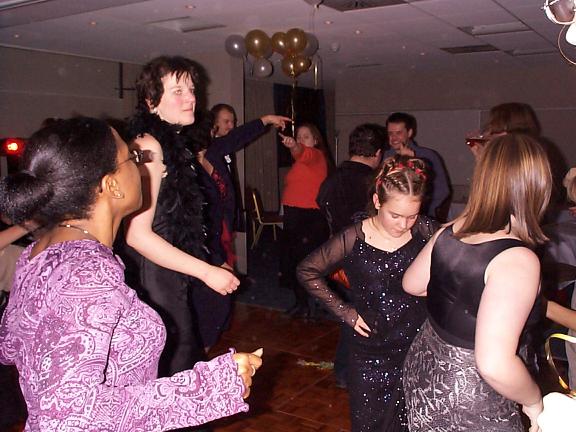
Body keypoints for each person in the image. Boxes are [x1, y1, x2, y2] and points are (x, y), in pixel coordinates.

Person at [0, 117, 263, 431]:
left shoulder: (41, 253)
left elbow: (12, 346)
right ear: (111, 185)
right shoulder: (86, 273)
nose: (142, 167)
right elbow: (69, 415)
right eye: (132, 157)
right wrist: (209, 387)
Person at [402, 133, 551, 431]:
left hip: (425, 368)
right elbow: (494, 364)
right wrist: (535, 402)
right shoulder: (518, 260)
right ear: (536, 186)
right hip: (470, 393)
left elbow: (412, 284)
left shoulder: (452, 230)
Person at [298, 155, 438, 432]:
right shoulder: (352, 238)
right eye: (395, 215)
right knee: (369, 423)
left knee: (412, 422)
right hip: (370, 347)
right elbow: (307, 270)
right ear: (377, 201)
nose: (404, 224)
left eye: (411, 215)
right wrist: (346, 312)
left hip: (417, 345)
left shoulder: (425, 229)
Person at [122, 56, 239, 378]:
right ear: (151, 101)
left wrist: (211, 263)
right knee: (173, 363)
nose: (190, 98)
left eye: (191, 89)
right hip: (153, 278)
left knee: (179, 359)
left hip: (168, 271)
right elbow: (136, 234)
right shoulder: (148, 146)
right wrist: (206, 272)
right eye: (177, 91)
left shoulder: (170, 143)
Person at [187, 108, 289, 351]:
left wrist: (266, 119)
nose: (215, 132)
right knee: (212, 292)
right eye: (213, 128)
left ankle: (206, 340)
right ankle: (200, 344)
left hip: (220, 229)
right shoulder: (184, 164)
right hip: (198, 237)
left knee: (222, 290)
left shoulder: (214, 151)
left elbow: (237, 137)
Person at [315, 123, 385, 388]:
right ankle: (349, 373)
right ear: (377, 153)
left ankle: (346, 371)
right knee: (362, 318)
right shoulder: (373, 184)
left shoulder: (332, 179)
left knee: (352, 315)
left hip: (338, 259)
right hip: (366, 260)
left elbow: (322, 205)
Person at [279, 123, 331, 317]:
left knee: (308, 264)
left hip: (309, 217)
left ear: (315, 140)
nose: (301, 139)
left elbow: (302, 152)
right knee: (294, 261)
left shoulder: (316, 156)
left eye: (305, 136)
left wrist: (294, 145)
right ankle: (302, 303)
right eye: (298, 136)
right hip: (294, 215)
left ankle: (315, 304)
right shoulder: (300, 163)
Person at [385, 112, 450, 219]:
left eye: (398, 133)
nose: (394, 138)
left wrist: (423, 211)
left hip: (420, 217)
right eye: (390, 133)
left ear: (409, 133)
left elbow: (442, 191)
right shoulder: (385, 157)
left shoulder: (428, 156)